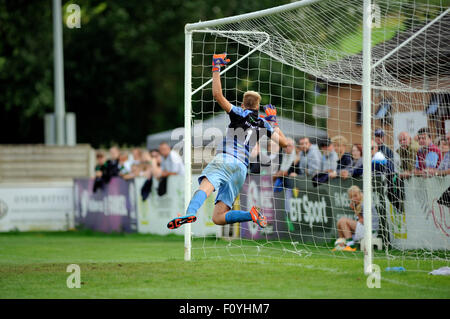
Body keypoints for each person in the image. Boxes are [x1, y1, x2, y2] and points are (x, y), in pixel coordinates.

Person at [167, 53, 288, 230]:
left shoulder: (239, 112)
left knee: (205, 186)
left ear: (243, 104)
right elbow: (284, 143)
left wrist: (216, 68)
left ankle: (191, 213)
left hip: (225, 160)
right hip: (240, 170)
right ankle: (251, 215)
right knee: (218, 217)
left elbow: (217, 95)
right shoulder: (264, 123)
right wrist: (274, 123)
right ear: (257, 106)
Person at [333, 185, 379, 252]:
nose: (353, 199)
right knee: (339, 222)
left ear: (360, 194)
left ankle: (350, 245)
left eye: (355, 196)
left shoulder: (365, 203)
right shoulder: (359, 204)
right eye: (351, 197)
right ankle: (341, 244)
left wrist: (355, 210)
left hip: (371, 231)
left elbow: (363, 221)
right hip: (364, 229)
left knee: (343, 221)